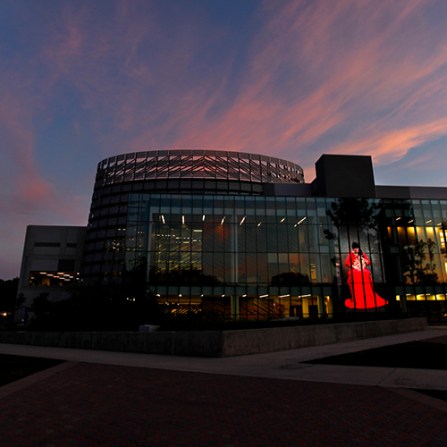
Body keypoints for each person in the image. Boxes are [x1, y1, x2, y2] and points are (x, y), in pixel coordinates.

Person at [344, 242, 387, 309]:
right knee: (355, 274)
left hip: (363, 268)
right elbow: (346, 263)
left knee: (365, 273)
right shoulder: (351, 254)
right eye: (355, 248)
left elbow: (369, 262)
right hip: (355, 269)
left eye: (357, 248)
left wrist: (364, 260)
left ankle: (368, 295)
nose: (357, 249)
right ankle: (358, 297)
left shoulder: (362, 253)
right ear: (353, 249)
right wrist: (353, 266)